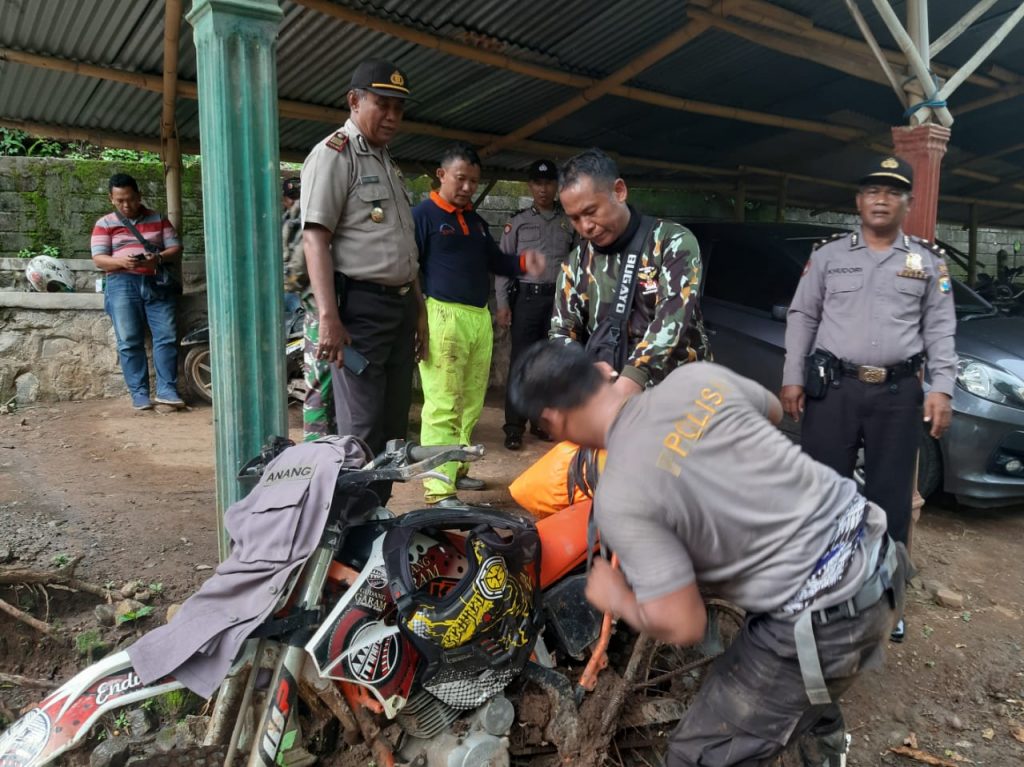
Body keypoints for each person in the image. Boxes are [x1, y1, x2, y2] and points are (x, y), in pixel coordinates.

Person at [509, 340, 907, 767]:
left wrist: (619, 598)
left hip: (829, 613)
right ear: (603, 369)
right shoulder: (696, 379)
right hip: (877, 551)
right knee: (779, 674)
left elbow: (685, 625)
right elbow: (771, 409)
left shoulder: (622, 495)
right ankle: (822, 744)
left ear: (552, 420)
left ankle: (811, 727)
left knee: (694, 756)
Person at [780, 156, 955, 643]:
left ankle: (886, 600)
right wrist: (793, 376)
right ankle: (818, 588)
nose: (881, 198)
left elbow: (940, 330)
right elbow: (802, 315)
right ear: (858, 201)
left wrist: (941, 387)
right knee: (822, 493)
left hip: (899, 395)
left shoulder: (926, 262)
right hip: (833, 389)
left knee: (891, 500)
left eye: (892, 191)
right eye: (872, 190)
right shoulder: (830, 257)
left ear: (907, 203)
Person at [300, 58, 428, 483]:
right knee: (362, 430)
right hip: (360, 314)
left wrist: (419, 309)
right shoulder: (335, 153)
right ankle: (349, 532)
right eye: (382, 104)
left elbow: (402, 246)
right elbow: (315, 238)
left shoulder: (386, 161)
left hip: (398, 309)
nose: (392, 116)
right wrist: (328, 317)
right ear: (354, 101)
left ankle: (377, 520)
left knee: (394, 431)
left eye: (399, 108)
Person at [413, 142, 546, 506]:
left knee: (471, 402)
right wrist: (417, 318)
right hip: (442, 316)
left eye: (474, 180)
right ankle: (439, 488)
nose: (469, 187)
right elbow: (409, 270)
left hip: (478, 318)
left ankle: (457, 468)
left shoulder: (474, 221)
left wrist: (522, 263)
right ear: (442, 175)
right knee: (442, 403)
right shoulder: (423, 216)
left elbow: (496, 261)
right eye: (461, 179)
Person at [551, 148, 710, 396]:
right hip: (613, 400)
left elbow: (671, 320)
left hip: (682, 397)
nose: (586, 227)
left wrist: (630, 380)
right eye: (575, 218)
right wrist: (584, 369)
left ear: (619, 191)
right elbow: (561, 332)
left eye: (591, 212)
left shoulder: (671, 242)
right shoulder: (575, 264)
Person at [495, 159, 576, 451]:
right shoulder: (517, 222)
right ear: (530, 186)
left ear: (557, 186)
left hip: (557, 301)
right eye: (538, 183)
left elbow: (578, 265)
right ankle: (514, 426)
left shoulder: (569, 221)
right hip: (526, 299)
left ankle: (541, 422)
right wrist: (503, 303)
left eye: (549, 183)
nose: (544, 189)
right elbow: (503, 266)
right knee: (521, 362)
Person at [91, 173, 184, 411]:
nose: (126, 205)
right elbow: (99, 260)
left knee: (166, 336)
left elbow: (175, 247)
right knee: (129, 340)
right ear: (111, 199)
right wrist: (122, 263)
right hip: (121, 284)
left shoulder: (158, 218)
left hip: (156, 282)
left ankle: (167, 390)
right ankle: (139, 393)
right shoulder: (104, 224)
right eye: (120, 200)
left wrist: (158, 257)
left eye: (130, 199)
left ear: (139, 195)